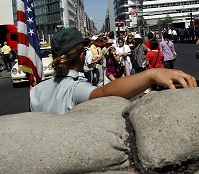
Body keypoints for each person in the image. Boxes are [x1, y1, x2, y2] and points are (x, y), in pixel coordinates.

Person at [30, 27, 197, 114]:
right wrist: (151, 75)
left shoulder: (36, 90)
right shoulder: (74, 88)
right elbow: (104, 92)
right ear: (81, 56)